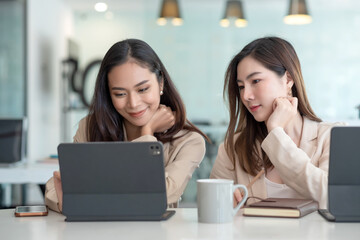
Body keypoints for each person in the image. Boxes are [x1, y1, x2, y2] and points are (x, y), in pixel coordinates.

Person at [45, 39, 208, 212]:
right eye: (120, 93)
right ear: (108, 93)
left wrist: (147, 132)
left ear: (160, 83)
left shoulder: (189, 141)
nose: (133, 103)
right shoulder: (91, 127)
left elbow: (158, 194)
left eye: (143, 89)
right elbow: (55, 189)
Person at [210, 37, 343, 209]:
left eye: (255, 81)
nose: (246, 96)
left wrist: (276, 132)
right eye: (241, 86)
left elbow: (334, 197)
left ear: (288, 79)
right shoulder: (233, 147)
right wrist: (222, 201)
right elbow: (211, 210)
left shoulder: (332, 136)